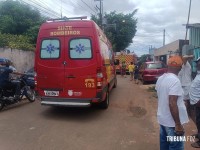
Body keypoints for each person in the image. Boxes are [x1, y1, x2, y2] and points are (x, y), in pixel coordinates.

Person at [155, 55, 189, 150]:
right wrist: (178, 124)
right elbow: (172, 103)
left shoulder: (161, 79)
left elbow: (162, 96)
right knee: (175, 147)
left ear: (168, 65)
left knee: (164, 146)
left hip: (163, 120)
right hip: (172, 124)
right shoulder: (175, 80)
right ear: (180, 67)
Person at [189, 57, 200, 148]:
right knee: (197, 120)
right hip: (196, 103)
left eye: (198, 62)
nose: (197, 64)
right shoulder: (198, 73)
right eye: (196, 62)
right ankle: (198, 134)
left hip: (199, 103)